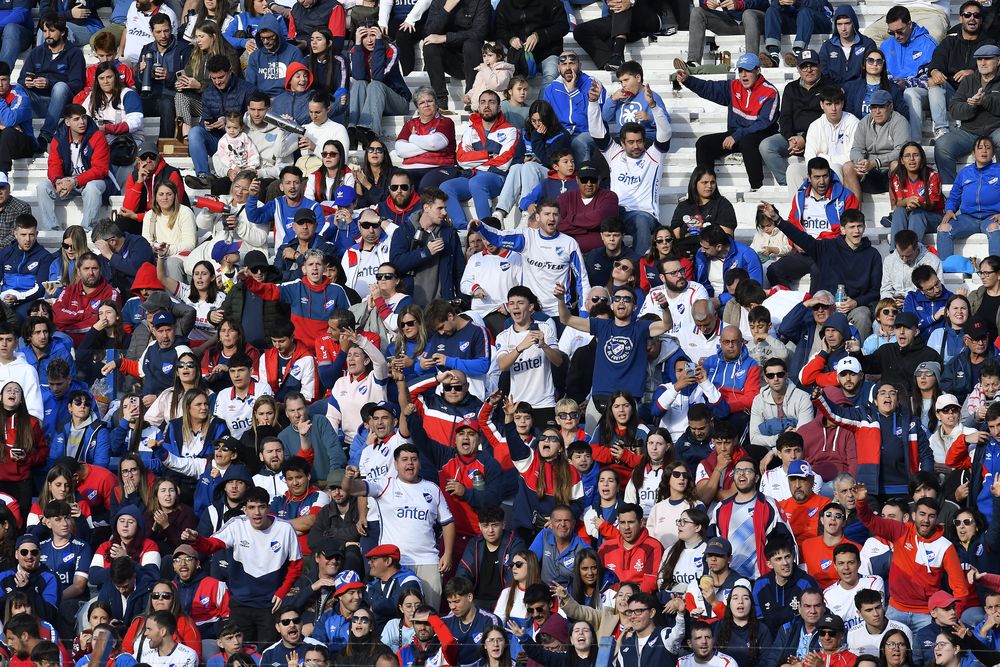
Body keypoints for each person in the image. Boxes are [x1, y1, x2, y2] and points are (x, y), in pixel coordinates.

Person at [183, 486, 302, 644]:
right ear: (244, 510)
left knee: (265, 652)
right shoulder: (236, 525)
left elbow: (297, 565)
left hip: (270, 605)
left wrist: (282, 592)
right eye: (251, 507)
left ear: (268, 508)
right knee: (239, 652)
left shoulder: (285, 529)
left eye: (261, 507)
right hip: (241, 603)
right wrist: (195, 540)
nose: (257, 512)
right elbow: (210, 546)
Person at [854, 481, 969, 633]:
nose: (926, 520)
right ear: (914, 515)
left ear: (937, 519)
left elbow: (960, 588)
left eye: (931, 516)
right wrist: (861, 502)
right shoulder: (900, 530)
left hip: (926, 614)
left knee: (927, 655)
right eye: (922, 514)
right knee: (890, 654)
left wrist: (955, 616)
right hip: (896, 609)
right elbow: (871, 521)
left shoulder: (945, 546)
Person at [587, 80, 670, 253]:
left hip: (643, 214)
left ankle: (638, 266)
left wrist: (653, 107)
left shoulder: (653, 156)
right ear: (622, 143)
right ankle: (599, 263)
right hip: (616, 211)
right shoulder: (615, 154)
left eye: (639, 141)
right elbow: (596, 132)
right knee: (594, 214)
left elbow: (665, 133)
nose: (636, 146)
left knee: (640, 221)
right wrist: (593, 103)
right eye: (631, 142)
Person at [676, 53, 779, 191]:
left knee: (747, 142)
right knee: (703, 143)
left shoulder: (770, 92)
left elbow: (764, 123)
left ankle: (757, 189)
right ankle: (707, 187)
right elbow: (708, 88)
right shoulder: (733, 86)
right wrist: (687, 80)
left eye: (748, 70)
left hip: (760, 135)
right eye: (740, 70)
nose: (743, 75)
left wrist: (737, 135)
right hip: (736, 136)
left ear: (758, 70)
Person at [439, 91, 519, 231]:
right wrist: (489, 154)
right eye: (483, 102)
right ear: (478, 106)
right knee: (446, 187)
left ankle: (487, 230)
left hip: (496, 177)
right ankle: (463, 229)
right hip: (471, 175)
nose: (486, 105)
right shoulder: (470, 130)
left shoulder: (510, 130)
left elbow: (503, 163)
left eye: (491, 102)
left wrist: (475, 156)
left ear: (499, 108)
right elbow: (461, 159)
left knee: (477, 182)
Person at [37, 105, 111, 232]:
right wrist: (58, 181)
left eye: (84, 118)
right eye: (76, 119)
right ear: (67, 122)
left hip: (93, 181)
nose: (82, 122)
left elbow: (100, 169)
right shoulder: (58, 138)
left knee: (92, 188)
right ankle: (51, 230)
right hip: (67, 181)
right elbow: (54, 164)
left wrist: (75, 181)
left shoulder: (97, 136)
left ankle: (88, 229)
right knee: (43, 187)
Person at [760, 50, 828, 188]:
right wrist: (791, 137)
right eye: (804, 66)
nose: (808, 70)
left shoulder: (829, 87)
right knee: (766, 146)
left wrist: (805, 138)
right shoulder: (791, 88)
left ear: (819, 66)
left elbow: (827, 118)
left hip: (819, 136)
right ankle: (788, 184)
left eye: (812, 65)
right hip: (793, 138)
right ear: (798, 68)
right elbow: (785, 117)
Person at [185, 56, 255, 190]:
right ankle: (204, 177)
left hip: (242, 142)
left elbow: (254, 119)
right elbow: (205, 119)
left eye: (221, 77)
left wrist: (229, 122)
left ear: (230, 71)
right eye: (213, 78)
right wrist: (206, 125)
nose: (217, 82)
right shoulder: (208, 92)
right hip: (219, 142)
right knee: (195, 132)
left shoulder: (247, 89)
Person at [927, 2, 993, 141]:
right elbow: (937, 59)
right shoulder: (949, 41)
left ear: (981, 20)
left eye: (976, 15)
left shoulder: (989, 43)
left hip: (977, 94)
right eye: (967, 15)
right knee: (933, 82)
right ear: (961, 18)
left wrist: (973, 72)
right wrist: (934, 71)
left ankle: (961, 123)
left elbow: (994, 68)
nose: (972, 18)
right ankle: (942, 130)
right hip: (952, 93)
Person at [935, 44, 1000, 184]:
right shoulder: (969, 80)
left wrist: (985, 101)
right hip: (969, 132)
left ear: (998, 61)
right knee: (942, 145)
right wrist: (970, 105)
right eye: (979, 59)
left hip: (996, 130)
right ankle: (950, 191)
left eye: (987, 59)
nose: (982, 63)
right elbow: (954, 109)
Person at [20, 15, 85, 150]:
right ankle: (20, 134)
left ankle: (45, 136)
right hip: (38, 102)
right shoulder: (37, 52)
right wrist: (28, 83)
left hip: (62, 103)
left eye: (52, 31)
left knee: (60, 87)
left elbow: (77, 84)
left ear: (62, 32)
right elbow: (21, 79)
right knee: (16, 87)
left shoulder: (74, 53)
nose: (47, 35)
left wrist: (50, 83)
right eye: (44, 31)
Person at [935, 136, 1000, 261]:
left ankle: (995, 270)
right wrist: (949, 210)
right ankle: (947, 269)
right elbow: (954, 196)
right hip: (968, 218)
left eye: (988, 148)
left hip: (991, 217)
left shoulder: (998, 170)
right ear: (973, 153)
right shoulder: (965, 173)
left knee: (995, 228)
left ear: (993, 153)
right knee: (943, 228)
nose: (984, 151)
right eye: (980, 148)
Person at [420, 0, 490, 111]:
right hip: (449, 58)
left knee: (471, 45)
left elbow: (479, 33)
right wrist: (447, 8)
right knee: (429, 45)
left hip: (472, 58)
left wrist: (446, 38)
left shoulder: (481, 2)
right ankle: (440, 98)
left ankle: (470, 97)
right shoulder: (439, 1)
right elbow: (429, 32)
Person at [841, 89, 910, 199]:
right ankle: (854, 213)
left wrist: (876, 162)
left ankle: (897, 210)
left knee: (896, 165)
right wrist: (861, 161)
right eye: (873, 107)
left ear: (890, 107)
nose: (877, 111)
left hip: (889, 170)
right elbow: (856, 149)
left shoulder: (900, 121)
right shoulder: (864, 122)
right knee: (848, 167)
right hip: (869, 171)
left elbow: (901, 151)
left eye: (881, 107)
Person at [683, 0, 765, 69]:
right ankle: (693, 62)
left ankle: (751, 62)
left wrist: (740, 4)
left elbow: (765, 3)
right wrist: (707, 3)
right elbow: (702, 2)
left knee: (748, 14)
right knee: (697, 11)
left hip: (755, 20)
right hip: (732, 23)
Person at [819, 7, 876, 85]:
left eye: (847, 23)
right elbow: (823, 73)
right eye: (839, 24)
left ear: (854, 23)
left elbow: (871, 72)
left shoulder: (867, 44)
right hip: (834, 92)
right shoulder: (827, 47)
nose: (843, 28)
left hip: (860, 90)